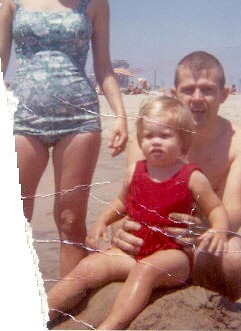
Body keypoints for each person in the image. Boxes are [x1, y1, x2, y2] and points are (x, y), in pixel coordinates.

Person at [0, 0, 128, 277]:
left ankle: (71, 312)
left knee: (71, 219)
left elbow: (104, 67)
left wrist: (120, 115)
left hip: (80, 122)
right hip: (23, 119)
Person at [47, 96, 229, 330]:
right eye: (149, 136)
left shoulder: (192, 176)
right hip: (132, 253)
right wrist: (102, 220)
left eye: (165, 136)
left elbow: (216, 208)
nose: (156, 142)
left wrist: (219, 229)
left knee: (146, 271)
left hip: (173, 257)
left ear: (183, 141)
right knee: (88, 266)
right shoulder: (136, 171)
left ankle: (111, 325)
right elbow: (122, 201)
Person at [112, 51, 241, 301]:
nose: (197, 98)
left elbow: (234, 212)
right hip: (150, 240)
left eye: (207, 90)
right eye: (188, 89)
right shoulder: (151, 137)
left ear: (224, 94)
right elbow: (129, 201)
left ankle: (216, 315)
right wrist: (117, 227)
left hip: (200, 243)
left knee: (237, 257)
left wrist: (203, 230)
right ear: (175, 94)